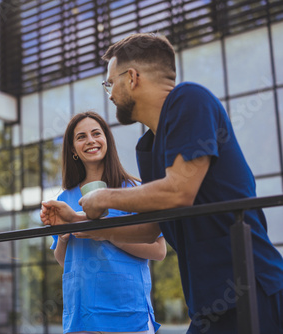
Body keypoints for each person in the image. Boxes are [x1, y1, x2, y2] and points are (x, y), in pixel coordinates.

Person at [41, 33, 283, 333]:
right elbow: (151, 228)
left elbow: (179, 191)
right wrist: (78, 222)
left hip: (252, 290)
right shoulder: (149, 145)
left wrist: (103, 199)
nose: (111, 94)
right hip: (207, 301)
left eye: (110, 83)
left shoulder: (190, 99)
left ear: (132, 78)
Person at [49, 111, 165, 334]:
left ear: (107, 141)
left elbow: (158, 251)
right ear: (73, 149)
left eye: (96, 134)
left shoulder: (133, 190)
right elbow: (65, 261)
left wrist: (104, 233)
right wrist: (63, 237)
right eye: (81, 137)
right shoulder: (64, 200)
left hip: (128, 315)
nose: (90, 141)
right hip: (82, 317)